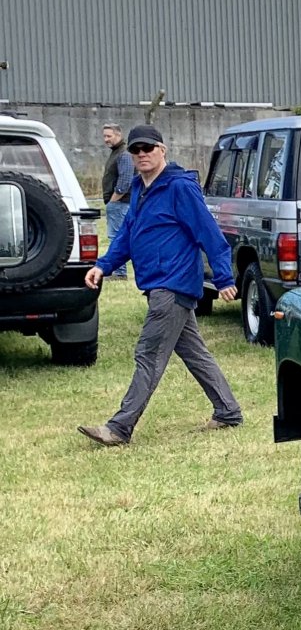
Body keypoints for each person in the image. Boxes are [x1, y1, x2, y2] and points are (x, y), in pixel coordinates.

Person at [78, 125, 243, 447]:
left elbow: (209, 233)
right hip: (157, 284)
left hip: (173, 284)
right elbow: (128, 232)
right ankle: (228, 411)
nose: (142, 154)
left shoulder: (180, 187)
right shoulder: (140, 188)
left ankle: (119, 428)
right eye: (136, 150)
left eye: (148, 148)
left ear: (162, 150)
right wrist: (102, 265)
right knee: (195, 353)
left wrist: (223, 278)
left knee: (148, 353)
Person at [99, 123, 133, 279]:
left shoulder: (124, 154)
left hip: (121, 203)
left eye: (109, 136)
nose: (106, 139)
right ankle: (118, 271)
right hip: (118, 203)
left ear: (118, 135)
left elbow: (125, 181)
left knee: (117, 237)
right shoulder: (116, 152)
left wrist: (113, 201)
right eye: (104, 136)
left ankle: (120, 273)